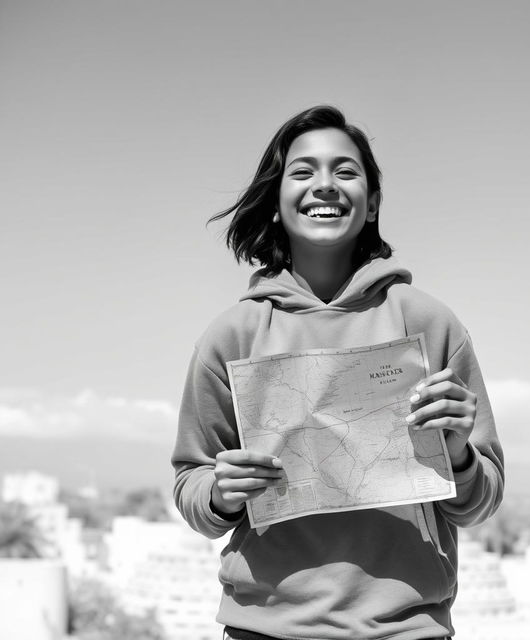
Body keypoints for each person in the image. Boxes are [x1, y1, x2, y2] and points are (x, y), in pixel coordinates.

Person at [171, 105, 504, 640]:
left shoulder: (429, 323)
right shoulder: (231, 335)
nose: (324, 185)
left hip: (408, 632)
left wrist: (461, 454)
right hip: (262, 630)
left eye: (345, 171)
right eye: (302, 172)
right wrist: (219, 493)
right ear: (276, 202)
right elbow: (192, 486)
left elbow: (481, 501)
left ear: (371, 202)